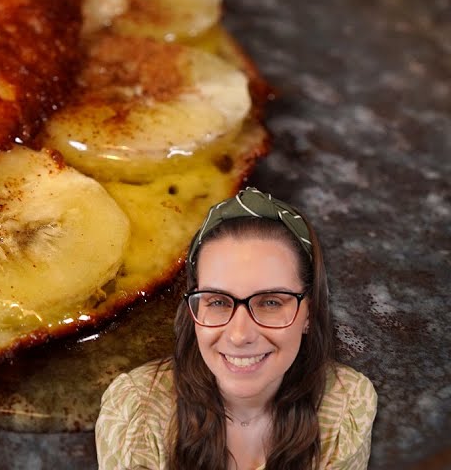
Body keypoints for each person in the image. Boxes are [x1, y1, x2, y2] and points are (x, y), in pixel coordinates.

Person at [94, 187, 377, 469]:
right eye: (217, 302)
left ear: (309, 313)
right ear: (194, 310)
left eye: (270, 303)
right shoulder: (135, 411)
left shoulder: (347, 403)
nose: (240, 335)